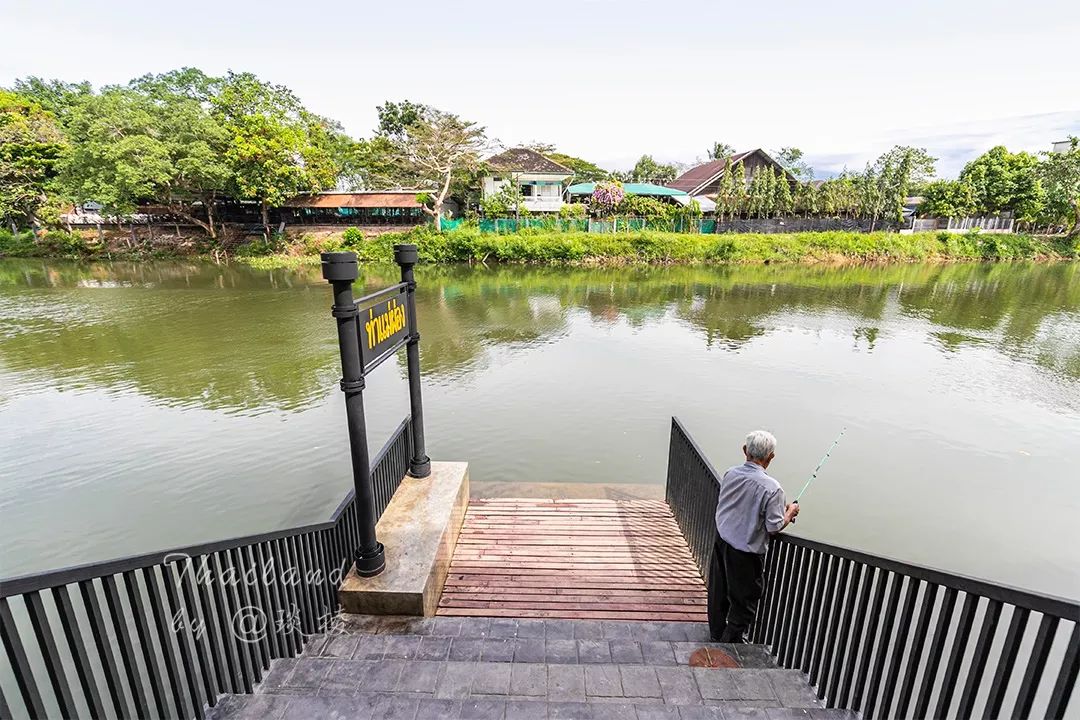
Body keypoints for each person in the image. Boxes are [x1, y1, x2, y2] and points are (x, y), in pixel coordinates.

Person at [709, 429, 799, 643]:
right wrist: (790, 512)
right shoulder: (773, 488)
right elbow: (773, 527)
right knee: (744, 602)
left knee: (719, 592)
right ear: (771, 457)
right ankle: (729, 646)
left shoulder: (731, 473)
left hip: (722, 541)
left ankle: (715, 634)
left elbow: (737, 502)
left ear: (745, 451)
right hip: (745, 553)